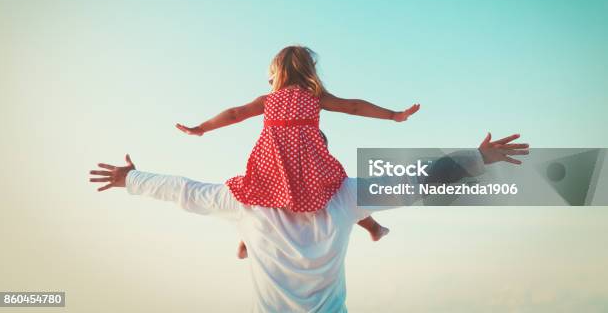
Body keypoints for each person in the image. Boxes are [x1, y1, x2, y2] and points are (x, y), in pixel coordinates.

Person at [89, 132, 528, 312]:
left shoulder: (243, 200)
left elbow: (184, 191)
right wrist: (476, 158)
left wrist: (132, 179)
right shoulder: (345, 194)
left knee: (243, 229)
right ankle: (246, 242)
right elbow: (419, 182)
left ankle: (246, 242)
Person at [174, 46, 419, 258]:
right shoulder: (314, 97)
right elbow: (354, 107)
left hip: (272, 167)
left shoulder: (268, 100)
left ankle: (245, 240)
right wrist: (393, 115)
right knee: (340, 189)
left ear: (277, 74)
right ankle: (373, 228)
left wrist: (202, 128)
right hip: (308, 169)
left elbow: (235, 114)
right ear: (308, 72)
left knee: (253, 195)